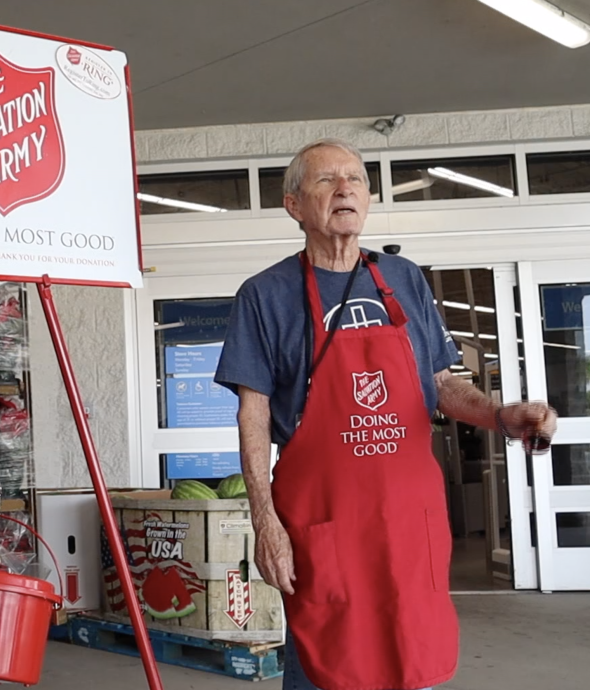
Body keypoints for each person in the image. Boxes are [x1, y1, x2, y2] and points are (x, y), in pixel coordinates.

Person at [214, 138, 558, 690]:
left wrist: (500, 415)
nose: (345, 188)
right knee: (326, 660)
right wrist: (266, 522)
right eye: (326, 180)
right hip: (323, 519)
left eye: (356, 179)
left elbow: (442, 384)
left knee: (410, 657)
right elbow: (253, 416)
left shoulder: (403, 278)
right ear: (294, 204)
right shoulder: (265, 295)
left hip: (405, 520)